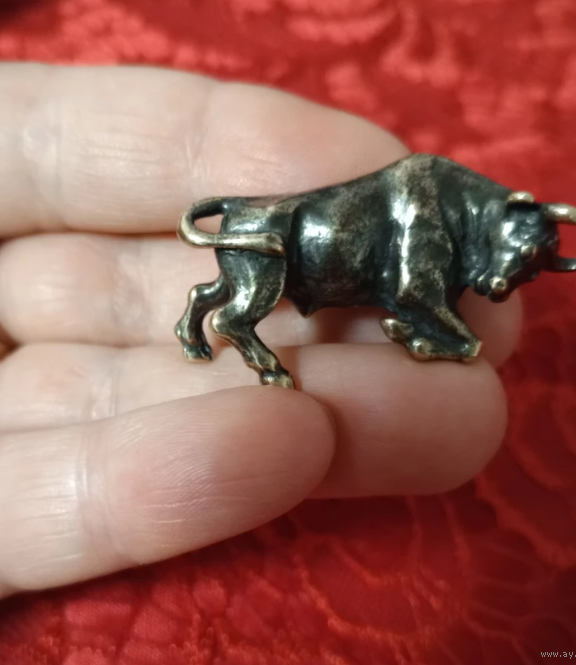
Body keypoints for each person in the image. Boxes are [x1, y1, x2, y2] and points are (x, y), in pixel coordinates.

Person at [0, 64, 521, 600]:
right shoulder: (424, 210)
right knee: (242, 309)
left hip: (265, 226)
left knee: (222, 291)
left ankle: (191, 325)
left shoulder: (434, 200)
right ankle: (252, 347)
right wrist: (462, 340)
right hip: (282, 236)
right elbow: (416, 290)